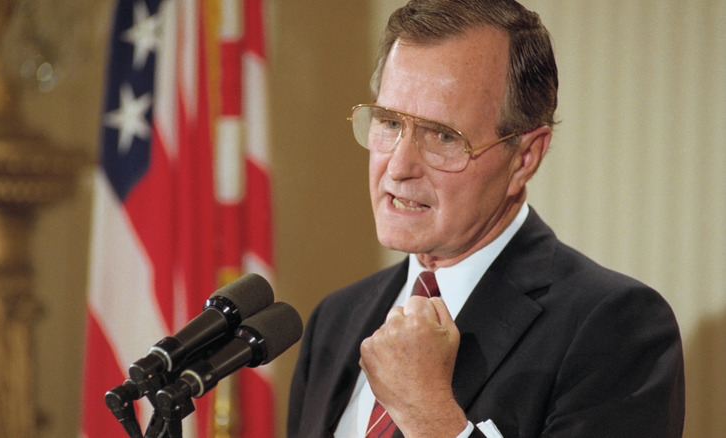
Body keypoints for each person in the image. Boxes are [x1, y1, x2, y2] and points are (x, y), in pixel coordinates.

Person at [287, 1, 685, 437]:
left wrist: (429, 414)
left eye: (443, 135)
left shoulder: (615, 328)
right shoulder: (336, 318)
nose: (398, 166)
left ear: (525, 157)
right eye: (388, 122)